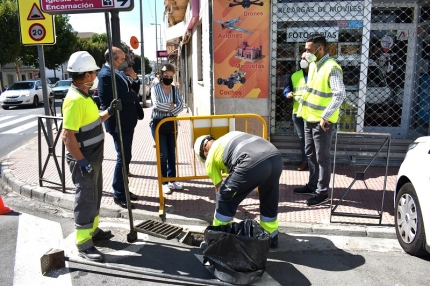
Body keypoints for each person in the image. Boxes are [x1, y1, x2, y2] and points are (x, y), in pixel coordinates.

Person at [62, 51, 122, 262]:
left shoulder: (84, 96)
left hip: (91, 158)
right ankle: (84, 243)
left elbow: (94, 120)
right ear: (86, 75)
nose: (96, 73)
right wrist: (81, 161)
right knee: (85, 199)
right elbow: (67, 135)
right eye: (94, 71)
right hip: (84, 159)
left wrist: (109, 111)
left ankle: (93, 232)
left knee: (94, 195)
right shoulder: (75, 100)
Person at [194, 131, 282, 248]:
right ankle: (270, 238)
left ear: (205, 149)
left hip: (252, 161)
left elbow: (220, 190)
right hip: (275, 157)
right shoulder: (228, 136)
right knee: (269, 197)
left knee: (224, 197)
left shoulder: (210, 159)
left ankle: (218, 240)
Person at [294, 34, 346, 206]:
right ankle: (313, 184)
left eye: (308, 49)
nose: (305, 52)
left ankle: (322, 193)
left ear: (320, 49)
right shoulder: (315, 65)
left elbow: (340, 95)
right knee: (311, 154)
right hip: (309, 119)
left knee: (322, 157)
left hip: (323, 122)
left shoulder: (332, 67)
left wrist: (325, 116)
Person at [97, 47, 141, 209]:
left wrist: (134, 83)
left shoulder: (118, 73)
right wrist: (132, 94)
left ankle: (123, 189)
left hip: (127, 121)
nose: (124, 62)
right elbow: (123, 97)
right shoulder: (107, 75)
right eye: (121, 59)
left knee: (126, 156)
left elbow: (134, 87)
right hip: (118, 122)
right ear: (113, 59)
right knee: (122, 157)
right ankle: (119, 193)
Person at [150, 63, 183, 195]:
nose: (168, 78)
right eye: (166, 76)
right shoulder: (155, 88)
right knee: (163, 154)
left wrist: (170, 109)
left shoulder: (175, 90)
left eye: (171, 76)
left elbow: (180, 105)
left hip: (172, 124)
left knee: (171, 152)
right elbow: (156, 105)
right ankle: (163, 182)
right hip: (158, 124)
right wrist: (171, 107)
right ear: (161, 75)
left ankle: (172, 179)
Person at [284, 52, 309, 171]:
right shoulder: (295, 75)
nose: (302, 60)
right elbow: (287, 88)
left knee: (315, 139)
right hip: (298, 112)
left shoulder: (318, 75)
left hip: (313, 112)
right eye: (301, 58)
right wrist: (287, 93)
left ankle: (315, 162)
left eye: (305, 58)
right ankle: (305, 160)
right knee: (303, 138)